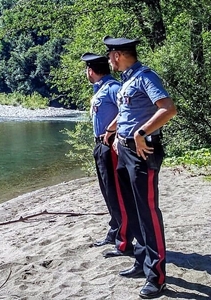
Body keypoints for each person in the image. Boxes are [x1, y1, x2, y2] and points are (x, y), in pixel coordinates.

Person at [102, 36, 177, 299]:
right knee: (132, 209)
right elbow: (126, 113)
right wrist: (116, 136)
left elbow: (168, 109)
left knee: (147, 211)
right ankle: (142, 263)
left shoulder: (146, 76)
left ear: (118, 55)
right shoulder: (127, 80)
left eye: (110, 55)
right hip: (125, 151)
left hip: (143, 152)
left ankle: (157, 278)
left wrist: (141, 133)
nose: (109, 60)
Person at [80, 53, 134, 258]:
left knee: (117, 193)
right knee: (107, 191)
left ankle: (124, 238)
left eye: (87, 69)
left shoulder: (113, 88)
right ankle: (115, 229)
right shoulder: (101, 89)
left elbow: (127, 111)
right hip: (100, 144)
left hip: (110, 145)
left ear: (91, 70)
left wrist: (111, 131)